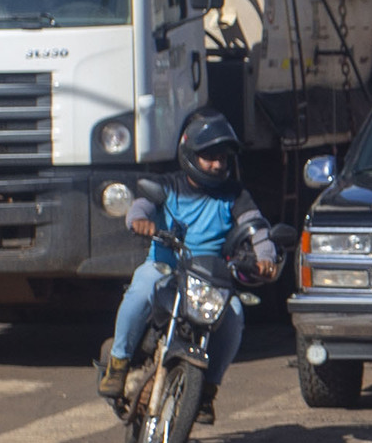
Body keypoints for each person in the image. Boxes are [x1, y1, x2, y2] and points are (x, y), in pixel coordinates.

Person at [96, 111, 257, 418]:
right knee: (141, 289)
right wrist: (140, 221)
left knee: (234, 315)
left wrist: (264, 255)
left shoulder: (235, 195)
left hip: (210, 278)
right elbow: (141, 206)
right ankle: (118, 363)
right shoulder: (167, 185)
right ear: (189, 154)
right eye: (209, 156)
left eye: (222, 157)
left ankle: (208, 390)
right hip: (165, 269)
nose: (217, 164)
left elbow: (256, 228)